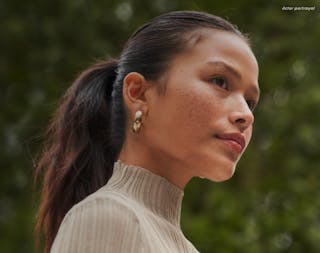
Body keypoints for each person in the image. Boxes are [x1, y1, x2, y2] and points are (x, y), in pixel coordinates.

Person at [35, 10, 260, 253]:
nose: (245, 115)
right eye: (220, 81)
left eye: (250, 102)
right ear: (138, 93)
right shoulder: (106, 217)